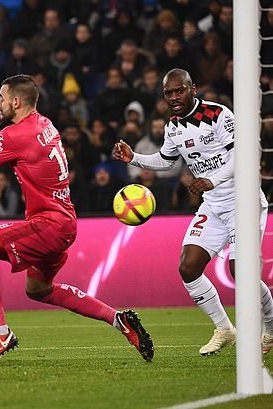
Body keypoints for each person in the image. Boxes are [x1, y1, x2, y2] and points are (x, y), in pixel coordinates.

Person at [0, 74, 154, 365]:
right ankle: (119, 320)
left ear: (16, 102)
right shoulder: (44, 124)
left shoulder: (13, 135)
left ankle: (0, 332)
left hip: (47, 224)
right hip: (65, 223)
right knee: (39, 290)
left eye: (1, 98)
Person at [114, 68, 273, 355]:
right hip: (213, 205)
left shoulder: (218, 114)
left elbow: (243, 153)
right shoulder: (173, 127)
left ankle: (271, 328)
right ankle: (224, 329)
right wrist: (134, 158)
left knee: (242, 272)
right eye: (169, 93)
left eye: (179, 90)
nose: (174, 97)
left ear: (192, 89)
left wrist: (213, 179)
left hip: (243, 200)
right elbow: (167, 161)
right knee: (188, 267)